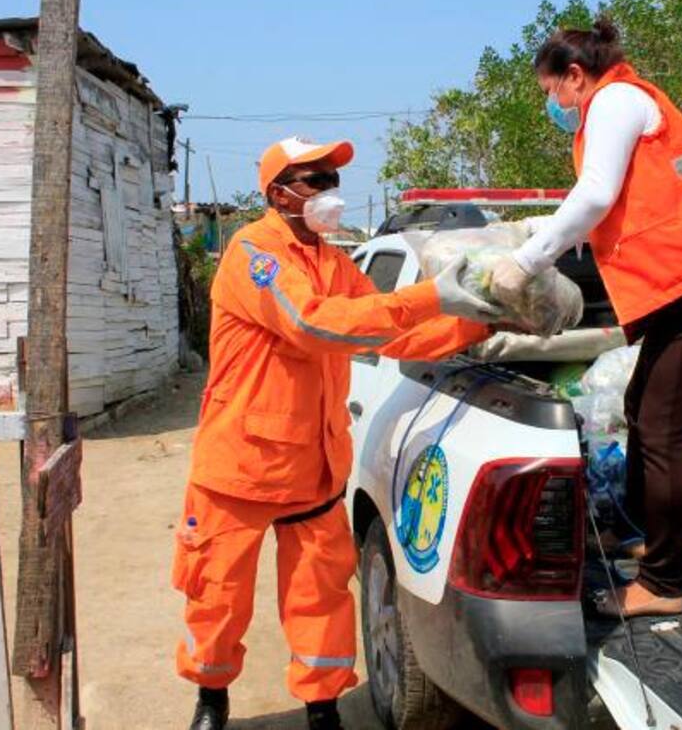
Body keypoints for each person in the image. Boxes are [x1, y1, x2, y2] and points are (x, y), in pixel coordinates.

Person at [173, 136, 498, 730]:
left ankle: (321, 707)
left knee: (320, 597)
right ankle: (211, 699)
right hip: (240, 468)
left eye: (331, 179)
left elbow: (388, 335)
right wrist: (431, 294)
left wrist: (475, 328)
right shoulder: (255, 254)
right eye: (314, 181)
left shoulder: (330, 260)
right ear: (278, 193)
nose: (329, 192)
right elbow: (314, 326)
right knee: (218, 599)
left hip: (315, 467)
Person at [491, 18, 682, 618]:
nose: (551, 105)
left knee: (666, 431)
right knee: (644, 409)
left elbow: (594, 196)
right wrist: (548, 232)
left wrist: (529, 260)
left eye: (549, 92)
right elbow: (621, 206)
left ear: (575, 76)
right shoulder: (619, 103)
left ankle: (664, 583)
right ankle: (647, 533)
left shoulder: (615, 99)